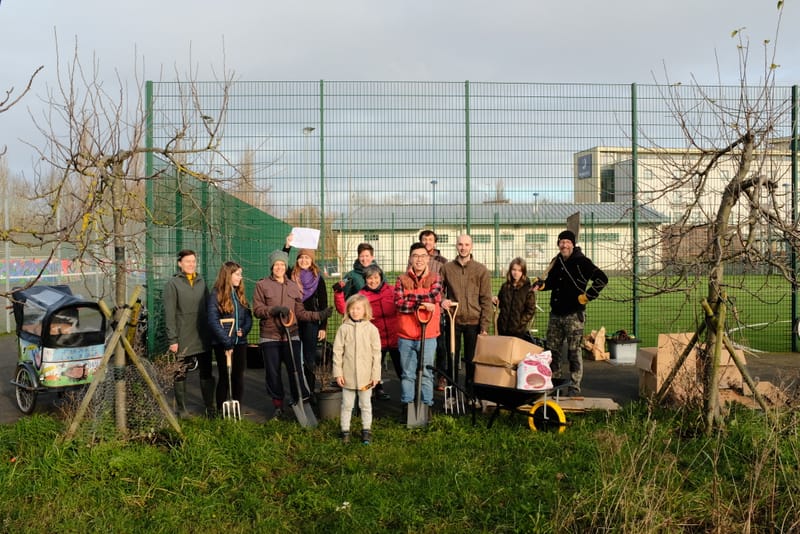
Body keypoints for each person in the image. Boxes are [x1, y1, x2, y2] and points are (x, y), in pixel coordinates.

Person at [253, 249, 333, 420]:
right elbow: (258, 310)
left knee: (295, 370)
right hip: (270, 336)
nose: (279, 267)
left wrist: (319, 315)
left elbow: (301, 313)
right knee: (273, 373)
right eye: (276, 265)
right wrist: (274, 310)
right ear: (272, 267)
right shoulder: (262, 285)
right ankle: (277, 406)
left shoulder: (293, 286)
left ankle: (299, 401)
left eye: (282, 264)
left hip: (292, 335)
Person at [532, 230, 608, 396]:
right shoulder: (557, 261)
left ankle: (574, 386)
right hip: (556, 314)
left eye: (567, 242)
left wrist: (588, 296)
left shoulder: (582, 262)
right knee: (552, 351)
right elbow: (551, 282)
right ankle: (555, 384)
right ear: (558, 244)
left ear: (573, 244)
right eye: (561, 242)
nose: (564, 245)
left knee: (574, 352)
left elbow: (602, 278)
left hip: (574, 315)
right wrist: (542, 285)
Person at [334, 264, 399, 401]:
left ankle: (407, 399)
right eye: (370, 278)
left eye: (376, 277)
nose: (373, 281)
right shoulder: (362, 296)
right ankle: (368, 398)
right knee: (373, 369)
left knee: (402, 370)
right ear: (365, 280)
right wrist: (339, 293)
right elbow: (344, 310)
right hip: (375, 339)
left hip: (395, 337)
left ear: (381, 278)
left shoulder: (392, 291)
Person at [394, 242, 442, 417]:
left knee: (427, 373)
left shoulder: (435, 277)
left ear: (428, 258)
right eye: (415, 256)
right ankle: (407, 406)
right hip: (406, 335)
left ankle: (426, 406)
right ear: (410, 258)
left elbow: (435, 296)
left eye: (422, 256)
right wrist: (423, 303)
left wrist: (410, 297)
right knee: (407, 374)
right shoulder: (401, 279)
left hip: (428, 335)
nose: (419, 259)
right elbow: (399, 304)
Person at [163, 249, 212, 417]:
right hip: (182, 336)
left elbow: (209, 307)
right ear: (180, 264)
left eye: (193, 261)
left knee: (206, 372)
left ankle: (209, 407)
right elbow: (169, 314)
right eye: (187, 261)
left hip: (202, 334)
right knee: (180, 372)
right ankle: (182, 410)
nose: (191, 264)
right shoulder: (173, 283)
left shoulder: (201, 281)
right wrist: (173, 339)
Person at [441, 234, 493, 389]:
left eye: (466, 245)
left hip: (474, 321)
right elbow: (439, 291)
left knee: (472, 360)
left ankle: (471, 394)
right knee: (452, 358)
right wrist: (442, 301)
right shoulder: (447, 269)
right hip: (453, 320)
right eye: (460, 244)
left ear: (472, 246)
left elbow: (486, 299)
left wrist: (484, 326)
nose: (463, 248)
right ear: (456, 246)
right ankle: (452, 393)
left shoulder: (481, 270)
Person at [332, 294, 382, 445]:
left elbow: (376, 354)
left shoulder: (372, 329)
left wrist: (376, 375)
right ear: (348, 310)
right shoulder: (343, 329)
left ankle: (366, 431)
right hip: (347, 377)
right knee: (347, 405)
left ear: (365, 310)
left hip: (366, 378)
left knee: (365, 404)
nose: (355, 311)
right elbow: (337, 351)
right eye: (352, 309)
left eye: (358, 308)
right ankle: (345, 431)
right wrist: (338, 373)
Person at [283, 236, 329, 397]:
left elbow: (324, 304)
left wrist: (323, 326)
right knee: (295, 359)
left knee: (309, 358)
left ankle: (310, 392)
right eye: (301, 257)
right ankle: (297, 392)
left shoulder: (318, 279)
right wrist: (287, 246)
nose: (304, 260)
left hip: (311, 323)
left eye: (307, 257)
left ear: (312, 260)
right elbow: (280, 263)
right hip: (293, 321)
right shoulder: (290, 275)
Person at [207, 261, 253, 413]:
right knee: (225, 376)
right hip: (223, 343)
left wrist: (244, 330)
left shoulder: (239, 293)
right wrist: (227, 343)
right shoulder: (216, 295)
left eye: (241, 274)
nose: (240, 277)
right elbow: (212, 320)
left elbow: (248, 317)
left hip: (240, 343)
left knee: (238, 376)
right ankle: (221, 409)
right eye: (237, 274)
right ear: (228, 275)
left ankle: (236, 407)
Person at [494, 257, 537, 342]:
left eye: (519, 270)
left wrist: (519, 324)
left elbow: (530, 310)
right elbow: (501, 304)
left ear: (523, 272)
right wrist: (495, 301)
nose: (516, 273)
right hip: (502, 328)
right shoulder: (505, 286)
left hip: (518, 332)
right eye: (514, 269)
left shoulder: (528, 289)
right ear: (510, 270)